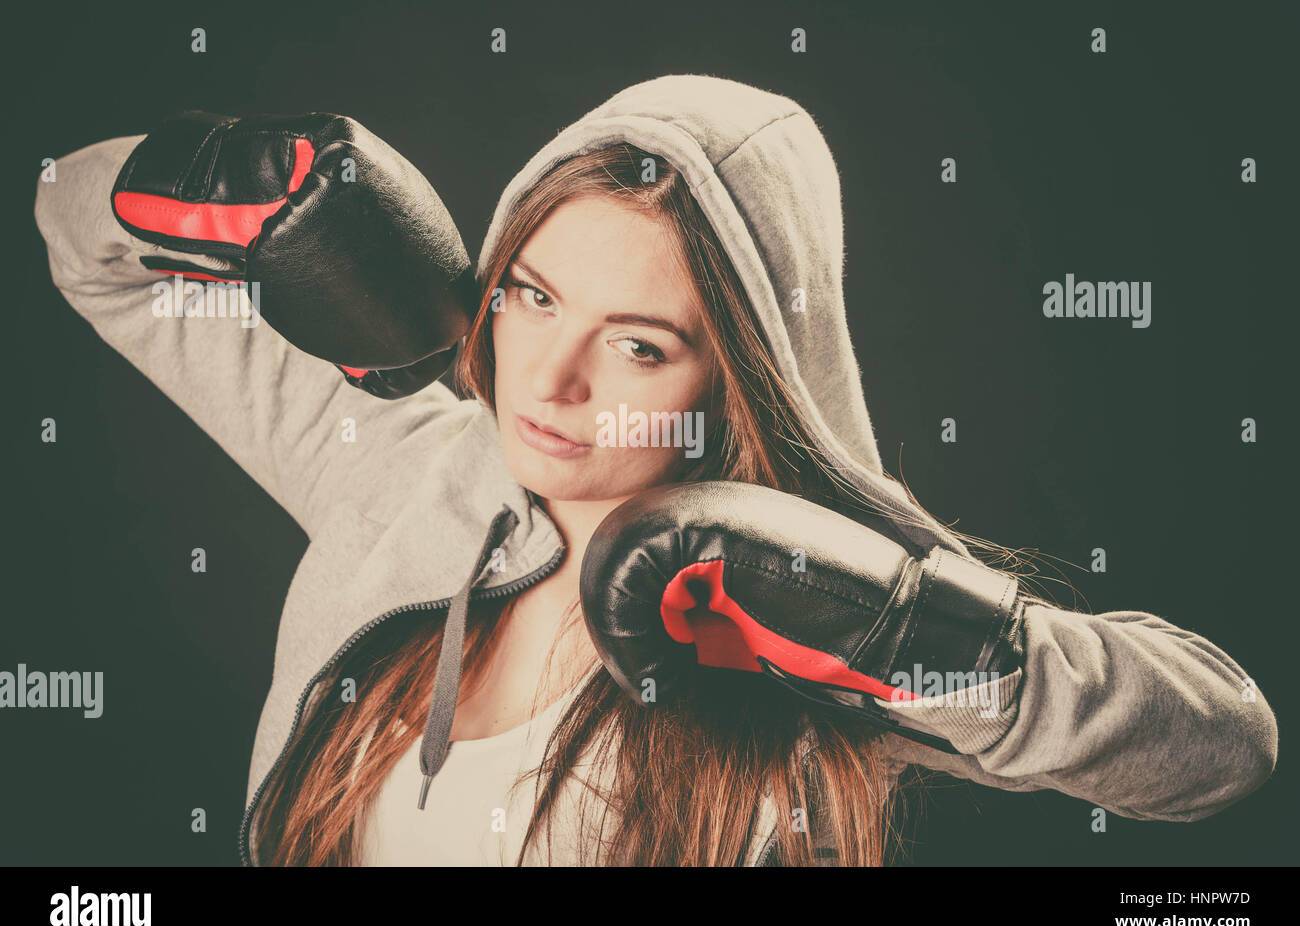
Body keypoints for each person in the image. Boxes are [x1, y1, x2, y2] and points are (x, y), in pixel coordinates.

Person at [32, 74, 1277, 867]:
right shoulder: (400, 467)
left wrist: (904, 630)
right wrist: (217, 184)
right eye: (529, 295)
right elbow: (78, 237)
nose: (547, 381)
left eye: (637, 343)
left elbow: (1222, 747)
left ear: (732, 376)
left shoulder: (786, 598)